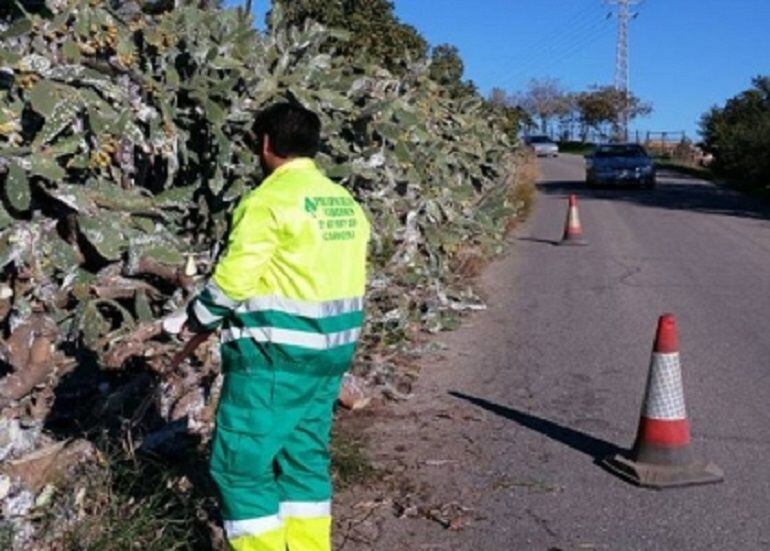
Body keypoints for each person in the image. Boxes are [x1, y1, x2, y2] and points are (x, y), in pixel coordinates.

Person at [186, 102, 370, 550]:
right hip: (331, 355)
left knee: (240, 468)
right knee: (303, 459)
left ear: (265, 144)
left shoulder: (268, 201)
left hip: (275, 358)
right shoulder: (342, 201)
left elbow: (234, 280)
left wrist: (196, 318)